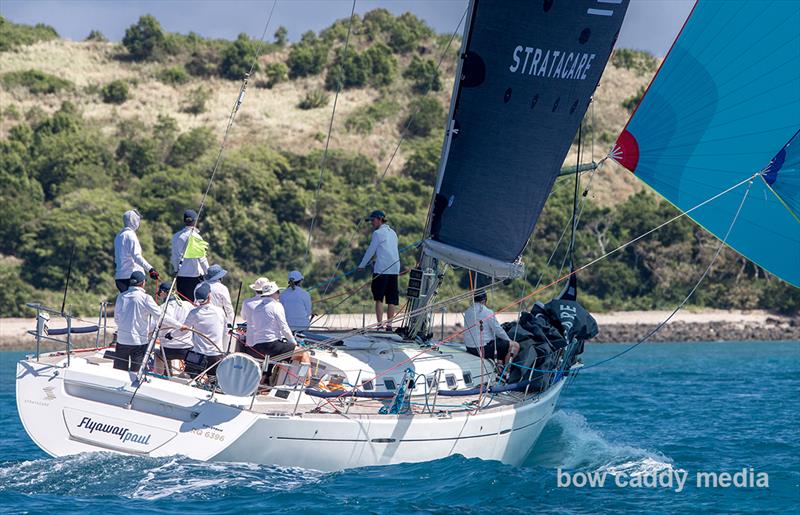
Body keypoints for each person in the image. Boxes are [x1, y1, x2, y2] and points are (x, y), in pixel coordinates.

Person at [113, 271, 180, 372]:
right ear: (143, 283)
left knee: (119, 373)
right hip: (138, 343)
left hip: (122, 341)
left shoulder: (121, 296)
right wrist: (179, 325)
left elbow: (116, 319)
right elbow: (161, 317)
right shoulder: (146, 298)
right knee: (136, 374)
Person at [246, 279, 311, 381]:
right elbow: (284, 327)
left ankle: (264, 383)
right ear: (274, 293)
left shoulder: (257, 308)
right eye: (278, 292)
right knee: (304, 353)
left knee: (272, 359)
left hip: (258, 346)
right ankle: (305, 383)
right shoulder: (276, 305)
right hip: (271, 346)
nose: (279, 294)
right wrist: (294, 343)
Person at [357, 210, 400, 331]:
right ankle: (389, 326)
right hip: (394, 269)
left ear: (380, 219)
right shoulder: (393, 233)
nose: (371, 222)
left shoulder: (377, 233)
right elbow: (388, 250)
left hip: (381, 270)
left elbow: (371, 250)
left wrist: (362, 265)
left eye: (373, 220)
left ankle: (380, 325)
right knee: (392, 299)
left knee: (379, 298)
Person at [173, 282, 225, 378]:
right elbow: (224, 330)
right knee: (213, 383)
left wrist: (171, 335)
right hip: (215, 355)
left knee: (188, 379)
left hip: (198, 355)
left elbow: (183, 329)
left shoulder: (193, 313)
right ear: (209, 296)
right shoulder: (220, 311)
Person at [463, 290, 520, 365]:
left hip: (469, 348)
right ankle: (506, 371)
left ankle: (499, 364)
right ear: (484, 300)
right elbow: (498, 331)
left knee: (498, 345)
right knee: (515, 346)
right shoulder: (487, 312)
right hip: (481, 349)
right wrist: (509, 341)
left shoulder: (467, 311)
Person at [114, 210, 158, 293]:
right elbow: (137, 256)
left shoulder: (118, 236)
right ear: (134, 221)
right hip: (132, 277)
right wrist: (151, 270)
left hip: (120, 278)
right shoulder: (130, 235)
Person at [154, 281, 193, 375]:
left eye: (160, 294)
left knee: (157, 353)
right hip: (187, 349)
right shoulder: (188, 305)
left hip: (167, 350)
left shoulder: (161, 308)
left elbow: (153, 327)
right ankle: (186, 375)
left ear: (163, 293)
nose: (159, 296)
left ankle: (161, 375)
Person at [171, 209, 209, 301]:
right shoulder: (197, 237)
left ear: (184, 221)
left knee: (183, 306)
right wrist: (209, 274)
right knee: (194, 305)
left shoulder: (176, 236)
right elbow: (202, 259)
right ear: (195, 221)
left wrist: (176, 270)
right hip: (195, 278)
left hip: (180, 277)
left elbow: (174, 257)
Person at [199, 264, 234, 329]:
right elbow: (228, 307)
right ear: (219, 277)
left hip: (201, 318)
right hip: (218, 319)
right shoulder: (222, 288)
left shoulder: (199, 286)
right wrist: (232, 323)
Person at [240, 276, 270, 349]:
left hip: (250, 340)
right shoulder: (271, 303)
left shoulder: (246, 302)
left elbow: (243, 317)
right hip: (266, 341)